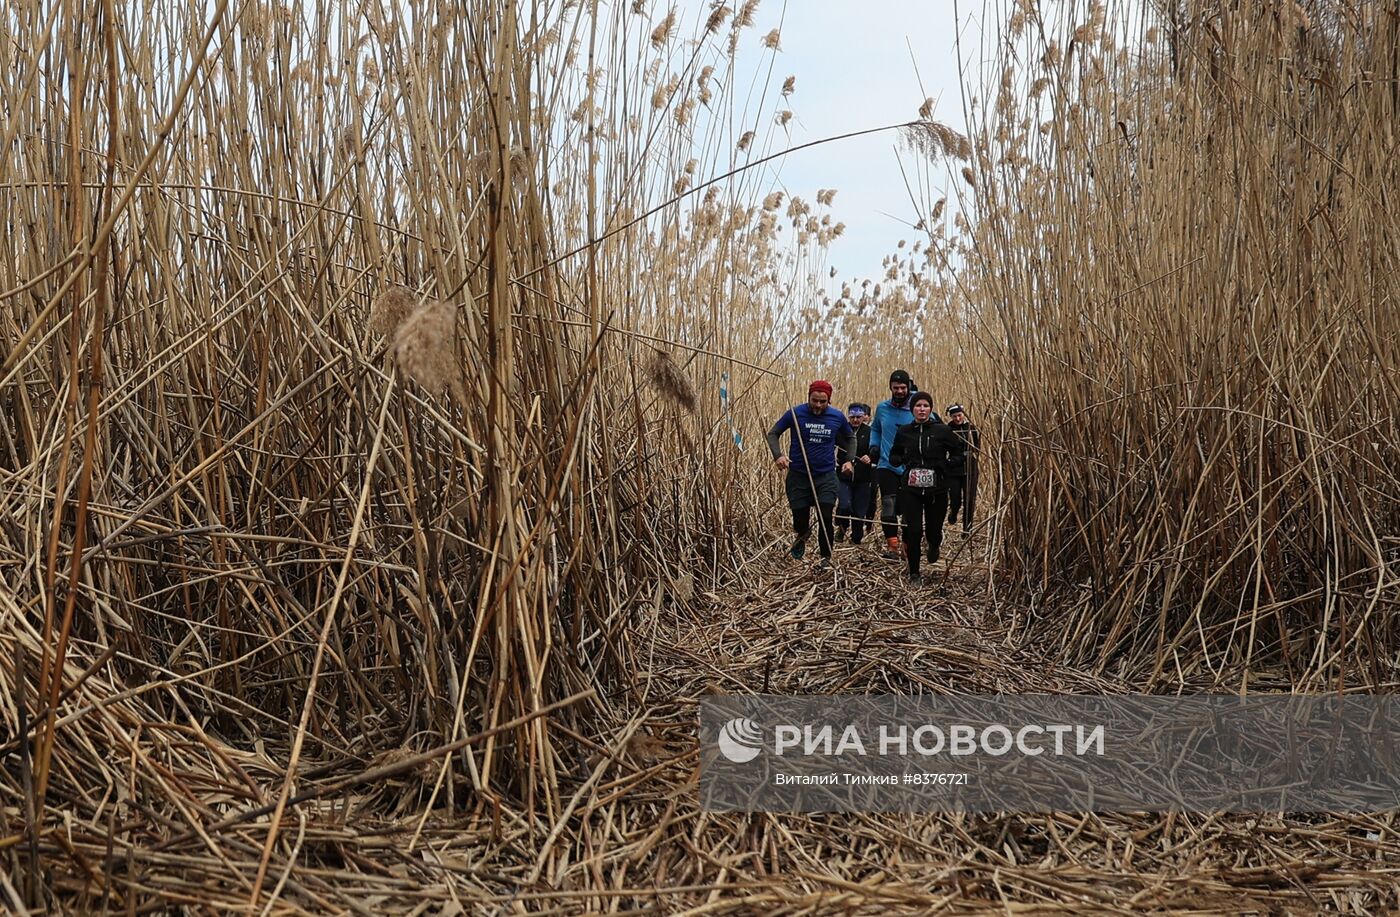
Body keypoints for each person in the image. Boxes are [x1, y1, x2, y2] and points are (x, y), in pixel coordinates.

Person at [766, 380, 855, 568]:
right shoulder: (796, 413)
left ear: (828, 400)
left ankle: (826, 558)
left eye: (823, 402)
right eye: (815, 400)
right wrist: (778, 456)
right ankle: (802, 534)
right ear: (809, 397)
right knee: (800, 519)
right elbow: (773, 433)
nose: (818, 405)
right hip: (798, 475)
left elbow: (850, 437)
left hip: (825, 476)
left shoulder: (836, 417)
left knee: (825, 516)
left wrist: (849, 459)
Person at [889, 392, 964, 584]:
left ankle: (934, 545)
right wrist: (898, 460)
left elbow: (959, 453)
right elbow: (894, 454)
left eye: (925, 406)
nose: (921, 409)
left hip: (936, 489)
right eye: (918, 406)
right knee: (913, 531)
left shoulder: (942, 431)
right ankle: (914, 572)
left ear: (930, 409)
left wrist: (946, 465)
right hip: (911, 489)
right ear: (912, 409)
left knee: (933, 530)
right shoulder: (904, 431)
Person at [868, 370, 941, 560]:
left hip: (911, 468)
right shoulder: (882, 408)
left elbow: (936, 429)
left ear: (908, 387)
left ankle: (908, 547)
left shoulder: (917, 408)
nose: (899, 391)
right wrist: (874, 445)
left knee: (910, 510)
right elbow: (875, 428)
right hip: (887, 464)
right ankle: (893, 546)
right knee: (888, 504)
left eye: (903, 387)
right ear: (890, 388)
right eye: (896, 388)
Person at [835, 403, 875, 543]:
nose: (856, 420)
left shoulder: (870, 432)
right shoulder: (841, 430)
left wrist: (870, 456)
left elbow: (877, 448)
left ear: (864, 417)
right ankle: (841, 528)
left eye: (859, 417)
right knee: (844, 504)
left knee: (859, 510)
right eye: (852, 417)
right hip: (843, 475)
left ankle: (856, 538)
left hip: (863, 476)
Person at [945, 404, 981, 533]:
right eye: (954, 416)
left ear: (963, 414)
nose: (957, 418)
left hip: (970, 468)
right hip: (954, 469)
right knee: (955, 498)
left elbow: (977, 447)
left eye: (959, 415)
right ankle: (953, 512)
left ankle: (967, 528)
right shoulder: (948, 429)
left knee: (969, 500)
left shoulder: (971, 428)